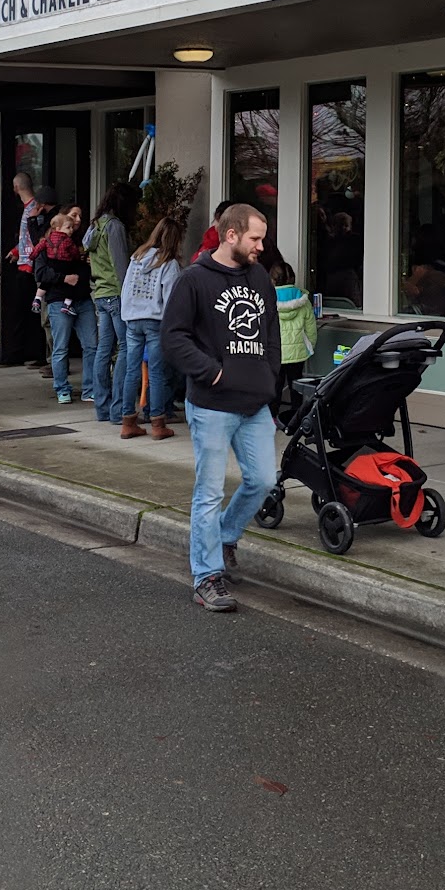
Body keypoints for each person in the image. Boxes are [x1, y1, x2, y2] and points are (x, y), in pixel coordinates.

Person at [162, 204, 278, 612]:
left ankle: (225, 537)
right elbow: (172, 337)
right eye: (255, 238)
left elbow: (271, 332)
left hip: (255, 403)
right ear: (231, 235)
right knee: (209, 492)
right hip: (212, 405)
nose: (261, 246)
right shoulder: (194, 280)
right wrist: (212, 372)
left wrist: (270, 379)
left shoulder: (259, 277)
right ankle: (206, 576)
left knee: (263, 481)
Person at [116, 215, 184, 440]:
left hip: (132, 319)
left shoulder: (137, 257)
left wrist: (127, 314)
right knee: (156, 373)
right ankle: (157, 423)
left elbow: (126, 288)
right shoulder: (169, 264)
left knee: (131, 371)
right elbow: (171, 298)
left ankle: (127, 422)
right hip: (156, 320)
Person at [34, 205, 96, 405]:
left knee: (91, 346)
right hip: (59, 299)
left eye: (80, 216)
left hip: (82, 298)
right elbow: (40, 273)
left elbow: (87, 270)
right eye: (73, 215)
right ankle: (62, 388)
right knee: (60, 347)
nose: (77, 220)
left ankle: (90, 389)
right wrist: (64, 278)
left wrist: (87, 266)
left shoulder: (82, 242)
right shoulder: (49, 243)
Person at [85, 183, 137, 424]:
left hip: (100, 292)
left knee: (103, 350)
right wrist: (130, 295)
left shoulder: (95, 225)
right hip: (116, 294)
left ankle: (102, 408)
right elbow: (121, 265)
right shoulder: (115, 226)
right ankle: (118, 410)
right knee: (125, 348)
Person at [0, 171, 49, 368]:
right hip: (25, 264)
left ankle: (32, 353)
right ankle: (26, 352)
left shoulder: (34, 209)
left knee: (29, 313)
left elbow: (36, 237)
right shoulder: (31, 208)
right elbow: (27, 238)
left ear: (16, 187)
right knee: (25, 312)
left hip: (31, 267)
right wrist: (17, 250)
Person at [271, 257, 317, 426]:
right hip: (298, 352)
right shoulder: (303, 300)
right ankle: (296, 418)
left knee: (275, 387)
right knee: (296, 386)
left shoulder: (267, 298)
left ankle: (272, 418)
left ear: (273, 279)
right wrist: (309, 346)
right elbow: (311, 328)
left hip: (275, 352)